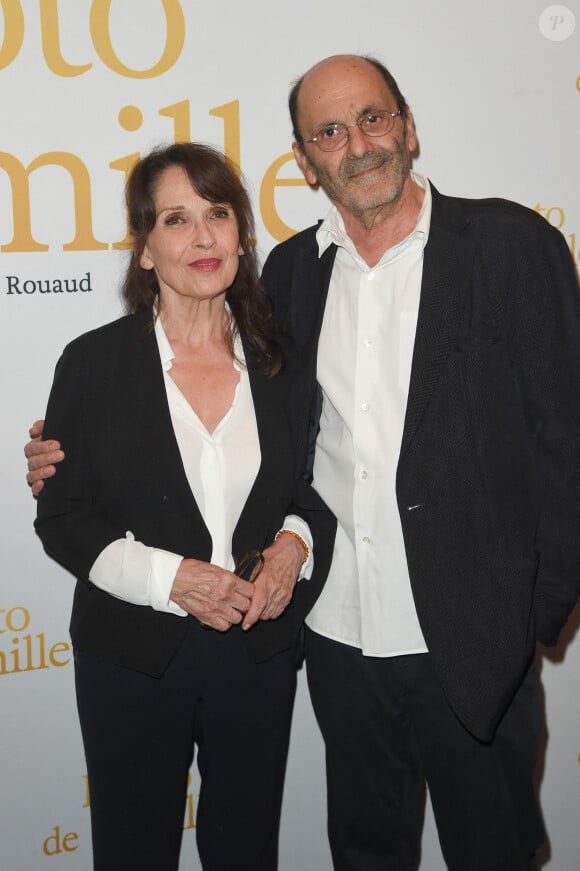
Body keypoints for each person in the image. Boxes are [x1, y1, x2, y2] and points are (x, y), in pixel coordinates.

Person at [26, 55, 580, 871]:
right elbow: (303, 460)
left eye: (373, 119)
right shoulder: (293, 275)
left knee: (493, 852)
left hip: (469, 644)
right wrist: (59, 453)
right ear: (304, 159)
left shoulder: (509, 244)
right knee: (364, 852)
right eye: (329, 130)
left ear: (408, 125)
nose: (356, 145)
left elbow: (565, 437)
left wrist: (532, 614)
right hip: (334, 643)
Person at [30, 142, 335, 871]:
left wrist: (293, 543)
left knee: (245, 847)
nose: (203, 237)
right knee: (134, 851)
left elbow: (317, 488)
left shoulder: (283, 361)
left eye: (218, 214)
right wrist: (174, 579)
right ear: (144, 250)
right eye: (176, 218)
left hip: (256, 652)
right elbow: (63, 515)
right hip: (133, 652)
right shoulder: (93, 363)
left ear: (241, 235)